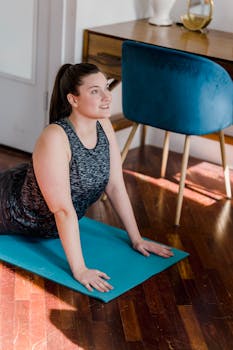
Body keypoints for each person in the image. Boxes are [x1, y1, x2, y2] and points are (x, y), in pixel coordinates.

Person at [0, 63, 173, 293]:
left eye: (106, 87)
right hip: (10, 208)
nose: (107, 96)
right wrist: (80, 270)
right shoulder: (55, 137)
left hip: (40, 209)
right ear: (73, 99)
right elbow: (63, 211)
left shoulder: (103, 124)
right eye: (95, 91)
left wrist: (137, 239)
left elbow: (115, 186)